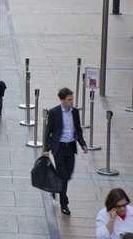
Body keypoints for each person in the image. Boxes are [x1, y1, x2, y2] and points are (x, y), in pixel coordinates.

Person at [44, 87, 88, 216]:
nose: (71, 101)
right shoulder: (54, 112)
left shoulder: (75, 112)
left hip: (70, 147)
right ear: (62, 100)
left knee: (67, 175)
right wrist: (46, 149)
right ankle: (64, 203)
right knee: (63, 176)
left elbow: (78, 130)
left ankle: (55, 185)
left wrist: (83, 144)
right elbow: (48, 132)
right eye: (69, 99)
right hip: (59, 147)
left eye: (72, 99)